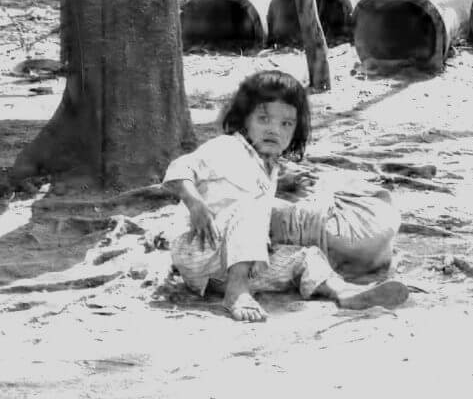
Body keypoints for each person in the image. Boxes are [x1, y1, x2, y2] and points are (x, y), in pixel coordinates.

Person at [163, 70, 408, 322]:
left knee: (306, 257)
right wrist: (195, 204)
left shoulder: (268, 166)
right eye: (263, 119)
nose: (274, 130)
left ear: (295, 131)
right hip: (198, 248)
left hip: (218, 273)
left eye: (286, 124)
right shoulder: (227, 147)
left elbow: (248, 197)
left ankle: (344, 292)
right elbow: (178, 169)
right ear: (244, 119)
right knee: (253, 206)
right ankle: (237, 293)